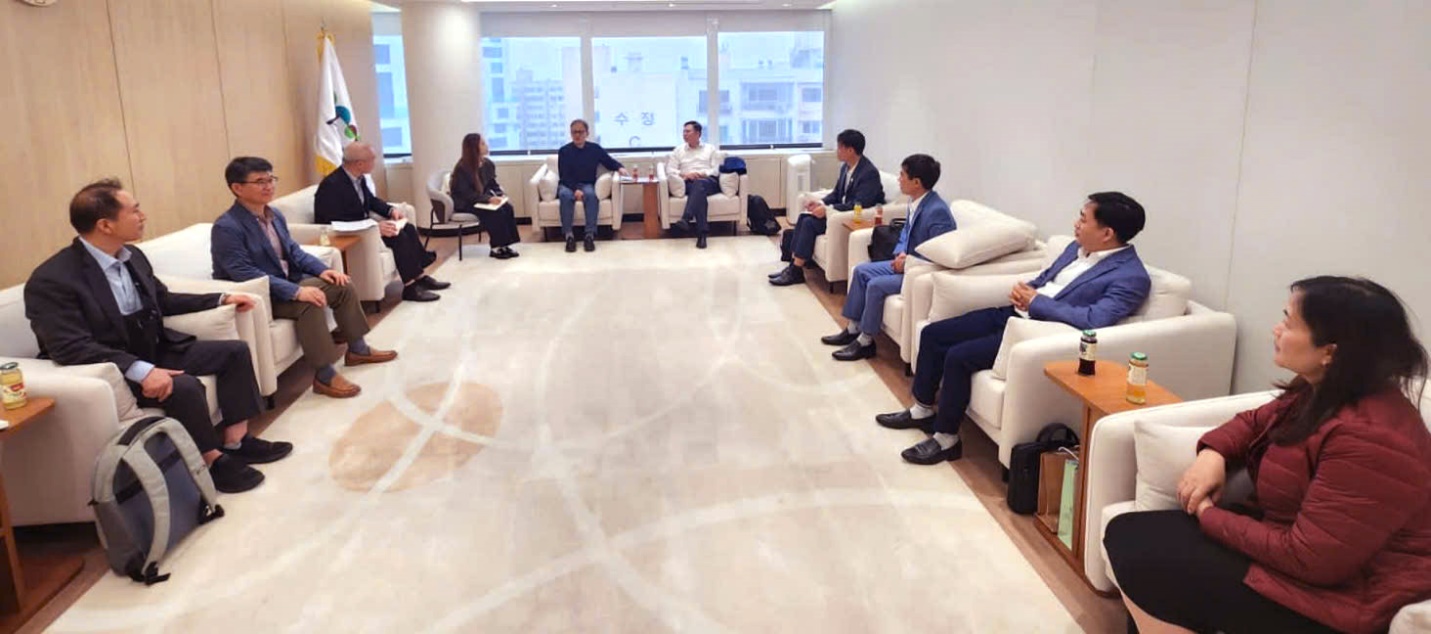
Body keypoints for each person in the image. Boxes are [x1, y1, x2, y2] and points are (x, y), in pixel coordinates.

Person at [1105, 276, 1431, 634]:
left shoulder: (1372, 439)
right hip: (1290, 547)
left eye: (1289, 324)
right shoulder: (1325, 390)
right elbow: (1255, 421)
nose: (1276, 330)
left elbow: (1311, 559)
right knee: (1128, 533)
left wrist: (1208, 513)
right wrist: (1213, 454)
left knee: (1140, 556)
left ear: (1330, 352)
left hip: (1343, 597)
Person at [25, 179, 290, 493]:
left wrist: (221, 298)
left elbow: (161, 300)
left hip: (154, 347)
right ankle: (209, 461)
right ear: (105, 225)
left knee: (233, 352)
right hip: (114, 367)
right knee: (183, 386)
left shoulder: (132, 256)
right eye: (134, 210)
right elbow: (69, 347)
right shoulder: (53, 279)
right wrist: (141, 370)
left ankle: (236, 441)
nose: (143, 216)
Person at [875, 192, 1150, 464]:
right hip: (1014, 313)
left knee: (959, 356)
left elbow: (1094, 319)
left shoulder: (1130, 276)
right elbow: (1046, 278)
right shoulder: (1074, 248)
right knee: (934, 334)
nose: (1076, 224)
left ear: (1107, 233)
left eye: (1084, 219)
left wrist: (1037, 302)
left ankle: (946, 439)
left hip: (1036, 333)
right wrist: (1026, 290)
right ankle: (922, 410)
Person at [212, 156, 398, 399]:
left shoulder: (274, 215)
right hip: (259, 296)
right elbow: (243, 273)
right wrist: (297, 291)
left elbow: (294, 251)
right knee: (309, 301)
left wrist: (322, 270)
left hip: (287, 281)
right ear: (237, 188)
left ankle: (358, 349)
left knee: (341, 284)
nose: (269, 186)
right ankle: (324, 375)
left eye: (271, 179)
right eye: (259, 182)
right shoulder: (227, 227)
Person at [823, 154, 955, 361]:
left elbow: (940, 256)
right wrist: (900, 253)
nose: (898, 178)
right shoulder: (916, 201)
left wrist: (908, 262)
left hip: (919, 272)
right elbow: (905, 233)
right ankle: (853, 329)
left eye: (902, 175)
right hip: (906, 262)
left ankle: (866, 342)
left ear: (916, 182)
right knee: (860, 271)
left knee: (876, 285)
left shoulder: (938, 212)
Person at [314, 142, 448, 302]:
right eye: (372, 159)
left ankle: (420, 277)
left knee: (408, 228)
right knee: (397, 236)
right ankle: (410, 288)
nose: (375, 162)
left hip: (365, 227)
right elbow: (334, 221)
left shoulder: (357, 178)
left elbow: (370, 200)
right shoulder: (332, 185)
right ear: (359, 164)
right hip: (348, 233)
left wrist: (390, 211)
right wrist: (374, 227)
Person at [769, 129, 885, 286]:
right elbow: (837, 193)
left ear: (850, 150)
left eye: (840, 147)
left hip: (852, 218)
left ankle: (796, 270)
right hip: (838, 213)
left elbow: (858, 204)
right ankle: (793, 266)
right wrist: (821, 203)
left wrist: (827, 210)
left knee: (809, 223)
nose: (837, 151)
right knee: (804, 217)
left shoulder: (868, 173)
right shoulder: (846, 168)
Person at [556, 119, 627, 253]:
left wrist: (619, 167)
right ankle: (569, 236)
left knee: (591, 196)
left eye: (580, 132)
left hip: (587, 184)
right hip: (567, 185)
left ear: (587, 133)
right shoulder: (564, 151)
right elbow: (564, 175)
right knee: (565, 196)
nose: (577, 135)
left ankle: (589, 235)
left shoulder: (594, 149)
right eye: (574, 132)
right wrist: (575, 190)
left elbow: (609, 161)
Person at [449, 133, 522, 259]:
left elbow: (492, 184)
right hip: (467, 202)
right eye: (482, 144)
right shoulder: (462, 168)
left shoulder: (487, 164)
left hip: (482, 199)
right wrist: (488, 199)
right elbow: (466, 194)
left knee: (507, 208)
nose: (486, 146)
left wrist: (499, 195)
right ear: (474, 148)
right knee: (494, 213)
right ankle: (495, 248)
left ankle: (505, 245)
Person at [666, 121, 721, 249]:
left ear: (698, 133)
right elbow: (670, 169)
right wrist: (685, 174)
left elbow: (716, 169)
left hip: (708, 181)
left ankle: (686, 218)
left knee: (699, 185)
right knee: (699, 192)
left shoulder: (710, 149)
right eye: (684, 131)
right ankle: (702, 234)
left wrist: (701, 173)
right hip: (688, 182)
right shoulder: (678, 150)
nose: (684, 134)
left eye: (688, 131)